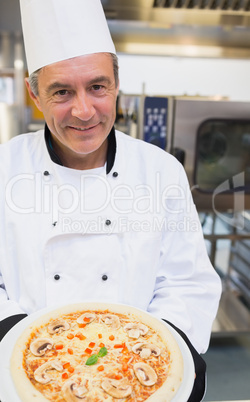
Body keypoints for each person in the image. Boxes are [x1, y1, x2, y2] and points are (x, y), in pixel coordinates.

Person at [0, 0, 221, 400]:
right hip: (26, 376)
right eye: (62, 91)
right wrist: (17, 340)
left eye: (97, 86)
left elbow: (186, 281)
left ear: (117, 83)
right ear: (35, 95)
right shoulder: (4, 168)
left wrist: (173, 353)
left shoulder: (161, 171)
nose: (84, 111)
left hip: (133, 373)